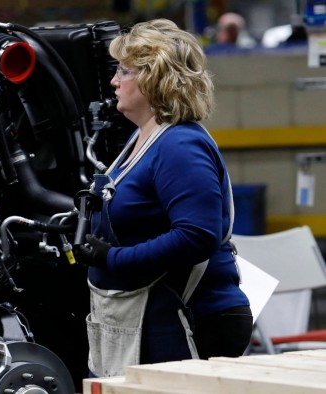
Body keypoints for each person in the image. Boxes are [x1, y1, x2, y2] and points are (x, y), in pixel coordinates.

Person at [76, 18, 252, 378]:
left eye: (124, 71)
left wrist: (114, 258)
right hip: (153, 315)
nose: (114, 81)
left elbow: (196, 236)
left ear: (153, 77)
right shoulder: (144, 138)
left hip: (189, 316)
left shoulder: (179, 144)